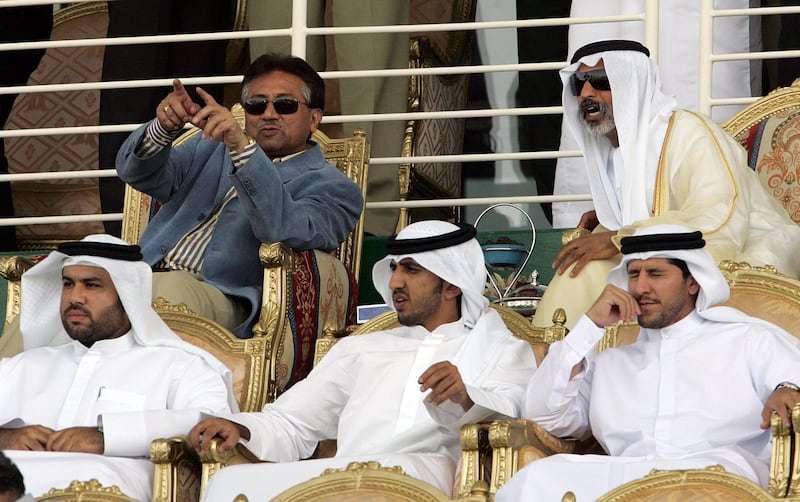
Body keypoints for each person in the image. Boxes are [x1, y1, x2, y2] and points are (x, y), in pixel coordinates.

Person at [186, 220, 538, 500]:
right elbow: (293, 423)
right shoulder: (361, 348)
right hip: (341, 478)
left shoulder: (501, 349)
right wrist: (241, 429)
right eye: (395, 268)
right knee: (232, 485)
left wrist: (466, 397)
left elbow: (518, 420)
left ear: (452, 285)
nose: (395, 281)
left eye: (411, 270)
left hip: (427, 476)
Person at [496, 224, 800, 501]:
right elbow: (544, 417)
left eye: (656, 274)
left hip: (718, 475)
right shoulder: (610, 361)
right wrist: (588, 327)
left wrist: (787, 389)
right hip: (627, 478)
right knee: (538, 478)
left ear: (693, 282)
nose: (641, 288)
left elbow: (792, 378)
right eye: (633, 274)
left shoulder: (747, 339)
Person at [531, 39, 800, 330]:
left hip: (749, 254)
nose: (586, 93)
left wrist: (620, 237)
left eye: (601, 81)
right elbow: (651, 211)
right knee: (582, 270)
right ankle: (556, 356)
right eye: (578, 85)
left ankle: (555, 357)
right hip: (659, 257)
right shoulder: (613, 153)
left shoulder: (690, 131)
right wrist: (611, 224)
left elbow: (719, 216)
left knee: (591, 275)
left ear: (632, 85)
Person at [115, 52, 364, 338]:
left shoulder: (335, 188)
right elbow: (137, 174)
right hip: (145, 272)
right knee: (80, 279)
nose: (269, 114)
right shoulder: (208, 147)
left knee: (159, 292)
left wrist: (245, 153)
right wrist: (163, 127)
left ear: (314, 119)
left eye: (285, 105)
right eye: (257, 105)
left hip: (226, 296)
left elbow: (283, 229)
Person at [0, 234, 236, 500]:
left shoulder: (180, 366)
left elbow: (213, 423)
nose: (75, 297)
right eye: (68, 284)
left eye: (92, 285)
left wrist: (106, 438)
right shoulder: (22, 366)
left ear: (127, 295)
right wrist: (6, 438)